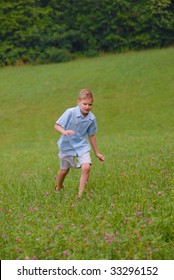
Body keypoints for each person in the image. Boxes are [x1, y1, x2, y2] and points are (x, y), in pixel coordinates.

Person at [54, 89, 104, 198]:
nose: (87, 107)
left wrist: (97, 152)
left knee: (86, 167)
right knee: (64, 170)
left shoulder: (91, 118)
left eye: (90, 104)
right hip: (66, 145)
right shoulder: (70, 112)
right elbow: (57, 125)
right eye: (84, 104)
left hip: (81, 145)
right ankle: (58, 186)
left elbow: (91, 135)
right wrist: (64, 131)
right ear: (78, 102)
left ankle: (80, 195)